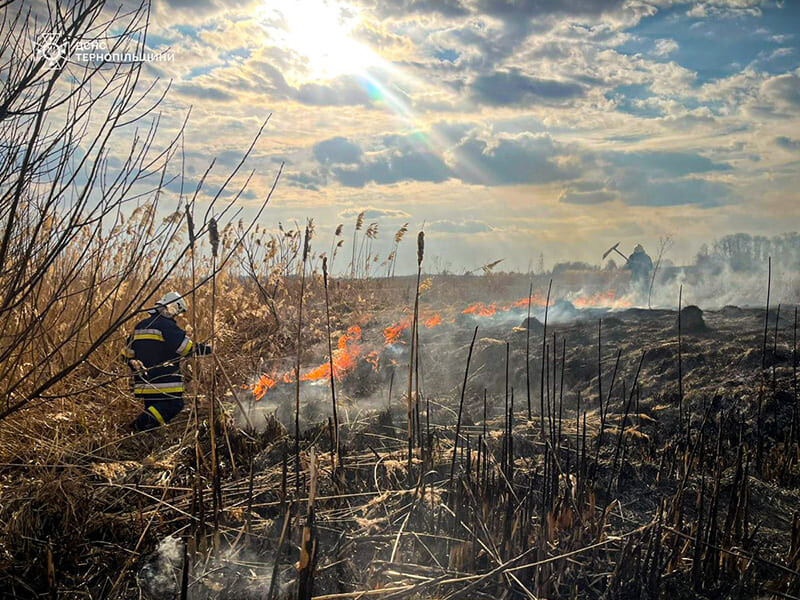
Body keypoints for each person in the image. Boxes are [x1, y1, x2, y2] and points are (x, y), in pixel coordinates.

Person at [122, 291, 211, 431]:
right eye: (175, 310)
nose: (175, 315)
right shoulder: (167, 326)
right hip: (166, 382)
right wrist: (208, 349)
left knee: (153, 412)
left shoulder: (140, 326)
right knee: (174, 405)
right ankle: (137, 427)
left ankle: (146, 435)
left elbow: (127, 354)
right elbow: (185, 348)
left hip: (145, 382)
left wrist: (135, 365)